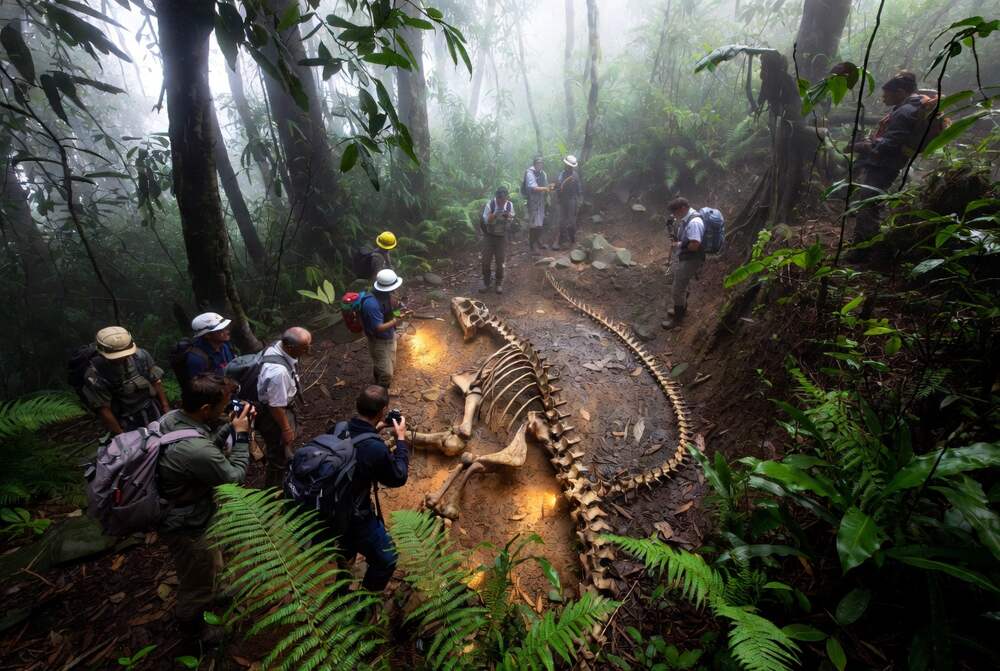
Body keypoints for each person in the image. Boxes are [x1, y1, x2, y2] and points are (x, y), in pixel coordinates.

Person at [157, 373, 252, 643]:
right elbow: (233, 477)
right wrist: (241, 437)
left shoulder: (173, 419)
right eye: (223, 405)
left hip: (194, 508)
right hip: (185, 524)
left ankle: (218, 590)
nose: (227, 407)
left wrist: (230, 426)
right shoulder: (195, 450)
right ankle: (194, 631)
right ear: (206, 409)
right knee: (196, 580)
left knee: (212, 558)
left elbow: (206, 446)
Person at [848, 70, 928, 254]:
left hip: (884, 165)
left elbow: (891, 143)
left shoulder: (905, 111)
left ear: (900, 92)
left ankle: (862, 250)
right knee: (872, 202)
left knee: (868, 203)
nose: (883, 98)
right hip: (887, 163)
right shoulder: (908, 108)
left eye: (886, 95)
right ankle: (868, 244)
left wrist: (862, 146)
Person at [342, 385, 410, 592]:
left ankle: (342, 579)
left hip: (331, 505)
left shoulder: (339, 429)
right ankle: (365, 602)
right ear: (383, 411)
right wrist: (401, 439)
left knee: (345, 547)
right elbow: (398, 477)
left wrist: (377, 428)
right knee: (387, 559)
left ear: (357, 406)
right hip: (355, 515)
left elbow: (356, 445)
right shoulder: (375, 449)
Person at [82, 326, 170, 434]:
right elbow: (104, 409)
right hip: (125, 418)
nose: (122, 358)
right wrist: (121, 434)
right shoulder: (95, 374)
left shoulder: (141, 356)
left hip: (152, 407)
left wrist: (165, 407)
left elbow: (156, 381)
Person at [256, 327, 311, 487]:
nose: (308, 350)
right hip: (274, 414)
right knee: (278, 453)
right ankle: (274, 491)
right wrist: (286, 429)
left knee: (283, 448)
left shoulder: (278, 346)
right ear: (290, 347)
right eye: (304, 348)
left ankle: (287, 467)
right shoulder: (278, 372)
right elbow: (275, 406)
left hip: (280, 406)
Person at [362, 269, 409, 389]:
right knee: (387, 373)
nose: (395, 290)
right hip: (378, 341)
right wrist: (396, 321)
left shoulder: (388, 294)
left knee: (391, 363)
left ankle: (378, 375)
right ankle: (380, 392)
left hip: (389, 335)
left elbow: (393, 308)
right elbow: (378, 328)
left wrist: (402, 309)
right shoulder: (371, 304)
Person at [662, 197, 704, 330]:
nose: (674, 215)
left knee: (677, 289)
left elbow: (694, 245)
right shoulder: (687, 218)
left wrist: (680, 244)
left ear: (683, 208)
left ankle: (678, 319)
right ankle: (682, 309)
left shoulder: (694, 222)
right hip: (686, 258)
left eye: (675, 212)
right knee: (682, 285)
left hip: (691, 259)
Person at [480, 187, 515, 294]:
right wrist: (495, 213)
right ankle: (486, 283)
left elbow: (512, 218)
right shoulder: (490, 204)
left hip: (502, 237)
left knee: (500, 261)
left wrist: (508, 216)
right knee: (486, 261)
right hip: (489, 236)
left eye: (504, 199)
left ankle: (498, 283)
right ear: (497, 197)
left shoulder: (509, 205)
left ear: (507, 198)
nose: (502, 202)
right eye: (500, 199)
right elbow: (486, 220)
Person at [183, 312, 236, 381]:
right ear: (207, 335)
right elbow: (199, 385)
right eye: (221, 330)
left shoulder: (225, 346)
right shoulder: (197, 360)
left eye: (225, 327)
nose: (227, 331)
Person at [523, 156, 553, 252]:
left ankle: (538, 240)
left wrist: (549, 189)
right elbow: (533, 187)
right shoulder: (529, 173)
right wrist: (546, 188)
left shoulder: (543, 173)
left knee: (540, 221)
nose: (540, 165)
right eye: (538, 163)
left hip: (541, 200)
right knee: (533, 223)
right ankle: (532, 244)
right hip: (532, 201)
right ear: (534, 164)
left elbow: (545, 185)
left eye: (541, 163)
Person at [555, 155, 583, 249]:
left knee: (572, 221)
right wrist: (558, 192)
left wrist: (579, 199)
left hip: (572, 200)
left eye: (570, 166)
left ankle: (572, 239)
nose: (568, 167)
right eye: (567, 165)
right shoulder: (561, 175)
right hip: (563, 200)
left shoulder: (575, 175)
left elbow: (579, 188)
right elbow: (558, 187)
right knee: (562, 221)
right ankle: (562, 239)